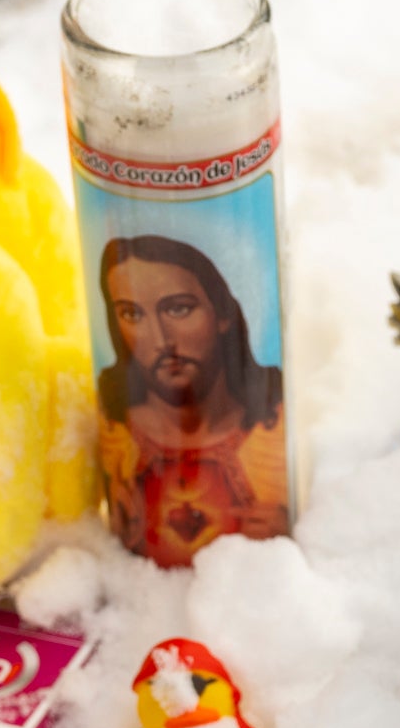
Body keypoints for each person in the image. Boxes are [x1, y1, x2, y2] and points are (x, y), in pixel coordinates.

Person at [94, 235, 290, 565]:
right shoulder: (114, 429)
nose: (161, 340)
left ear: (223, 314)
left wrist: (281, 532)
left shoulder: (274, 422)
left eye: (178, 309)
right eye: (131, 314)